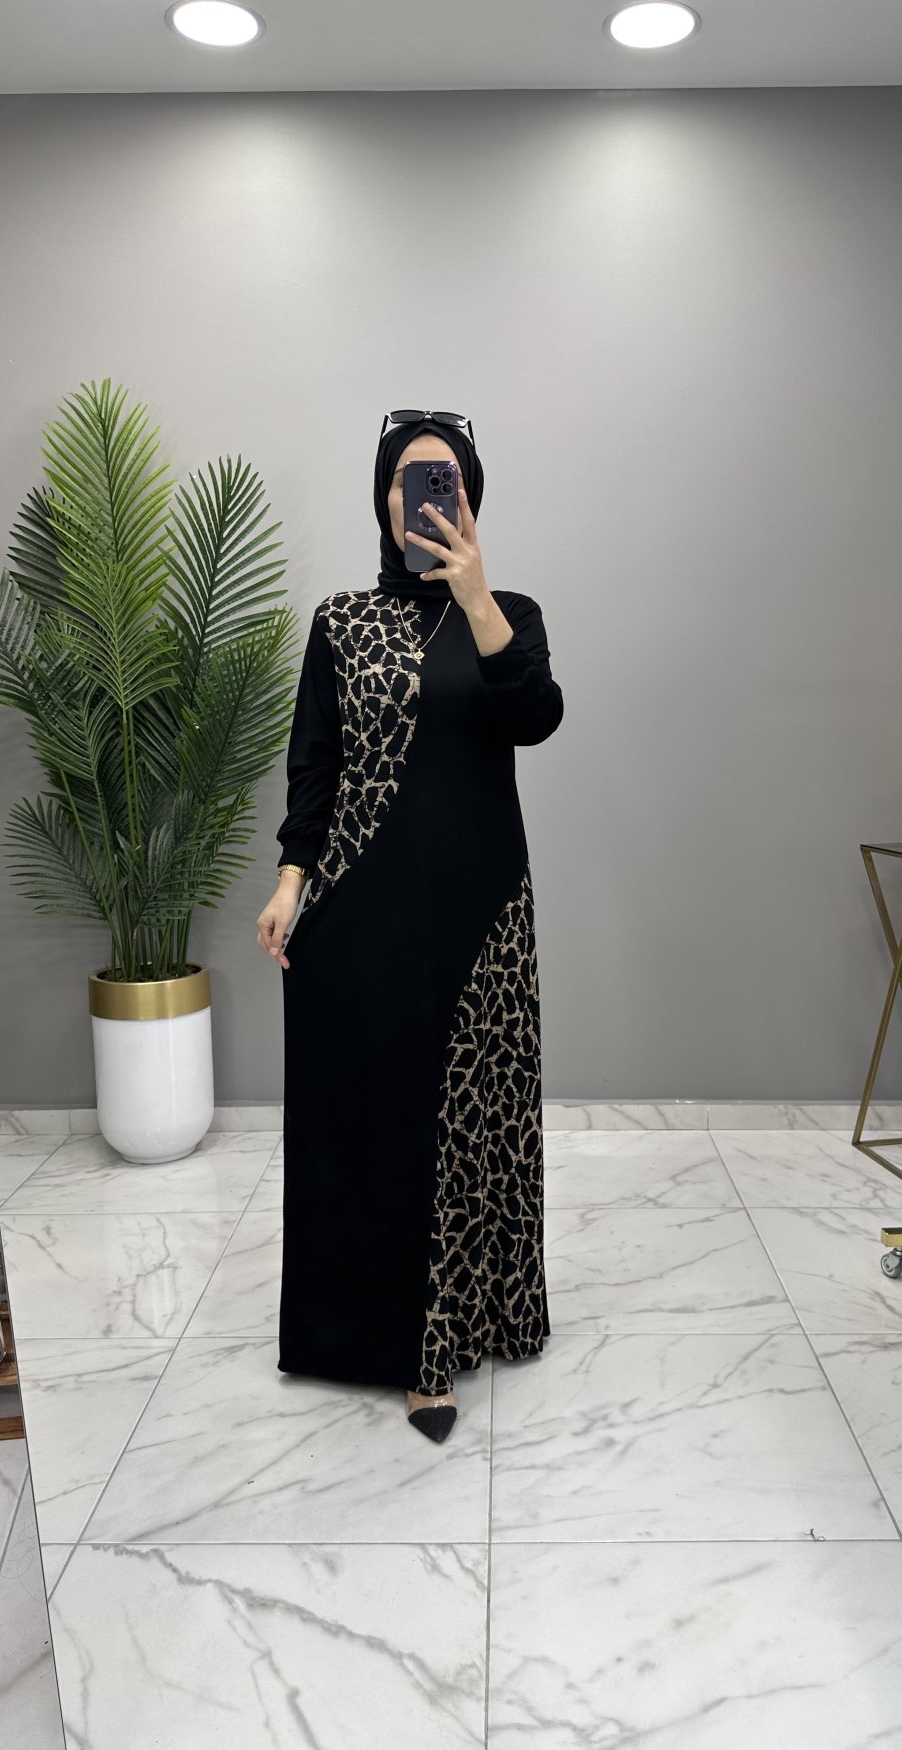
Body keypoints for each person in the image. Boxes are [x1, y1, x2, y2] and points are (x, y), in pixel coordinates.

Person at [256, 409, 564, 1443]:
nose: (423, 496)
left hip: (481, 909)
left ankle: (458, 1332)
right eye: (406, 478)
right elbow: (315, 762)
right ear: (384, 500)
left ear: (468, 498)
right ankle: (376, 1340)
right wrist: (291, 880)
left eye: (444, 479)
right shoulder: (341, 621)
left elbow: (534, 717)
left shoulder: (510, 612)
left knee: (471, 1117)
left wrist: (475, 595)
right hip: (361, 908)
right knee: (371, 1120)